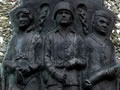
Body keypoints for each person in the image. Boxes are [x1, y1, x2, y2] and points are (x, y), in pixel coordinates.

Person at [44, 1, 86, 90]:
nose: (63, 15)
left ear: (71, 18)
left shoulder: (77, 38)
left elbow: (83, 60)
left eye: (67, 13)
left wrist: (75, 61)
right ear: (55, 17)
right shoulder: (50, 36)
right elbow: (46, 57)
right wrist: (54, 73)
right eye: (60, 13)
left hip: (72, 80)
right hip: (53, 80)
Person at [2, 7, 43, 90]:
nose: (21, 19)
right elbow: (6, 61)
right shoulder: (15, 39)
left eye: (24, 16)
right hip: (15, 78)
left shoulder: (36, 37)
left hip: (31, 78)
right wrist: (14, 66)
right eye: (19, 18)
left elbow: (41, 60)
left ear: (30, 19)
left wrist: (29, 68)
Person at [82, 10, 119, 90]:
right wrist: (84, 81)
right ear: (93, 23)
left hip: (110, 83)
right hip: (93, 82)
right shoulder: (87, 40)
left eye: (107, 24)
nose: (105, 25)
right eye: (101, 22)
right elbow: (82, 63)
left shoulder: (109, 43)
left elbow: (115, 62)